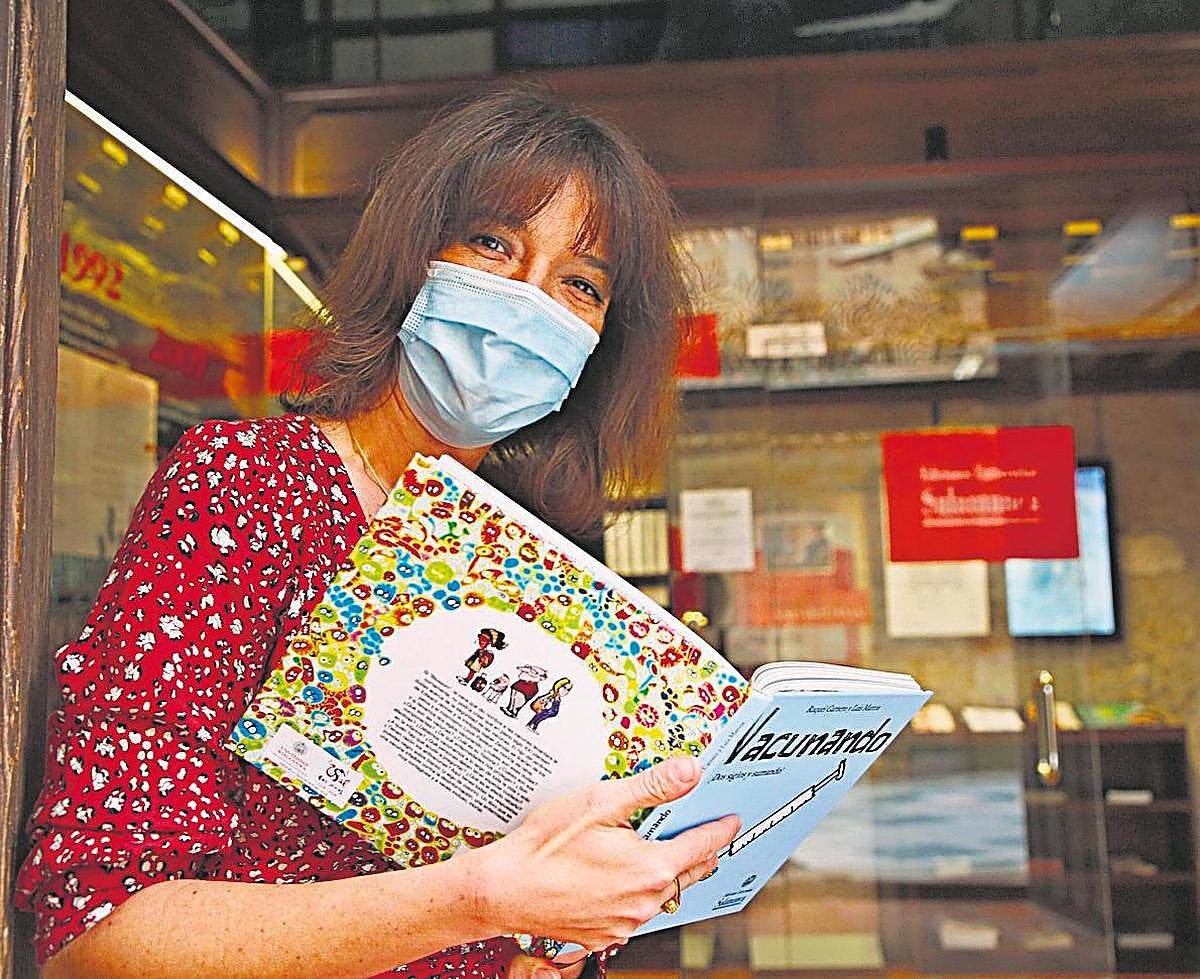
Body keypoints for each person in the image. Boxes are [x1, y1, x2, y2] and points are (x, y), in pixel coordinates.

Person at [17, 89, 740, 978]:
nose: (527, 301)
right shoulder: (246, 490)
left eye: (580, 284)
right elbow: (99, 938)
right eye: (493, 242)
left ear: (602, 343)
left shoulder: (537, 571)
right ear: (414, 251)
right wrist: (477, 900)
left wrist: (546, 939)